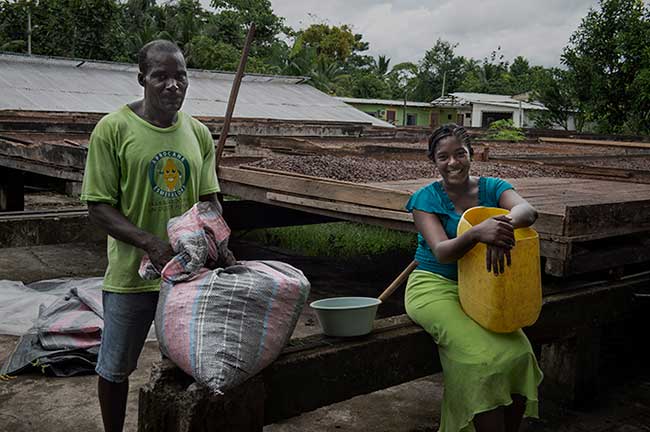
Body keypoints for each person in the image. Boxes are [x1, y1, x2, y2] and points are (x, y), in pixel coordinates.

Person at [80, 40, 231, 432]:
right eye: (160, 76)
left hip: (186, 277)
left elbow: (209, 199)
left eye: (180, 76)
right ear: (141, 78)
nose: (172, 85)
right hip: (132, 278)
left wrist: (220, 241)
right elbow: (97, 206)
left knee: (182, 366)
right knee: (115, 368)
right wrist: (150, 243)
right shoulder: (113, 130)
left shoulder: (197, 133)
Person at [404, 124, 543, 432]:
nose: (453, 163)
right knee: (480, 361)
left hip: (485, 286)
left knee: (520, 354)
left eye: (460, 154)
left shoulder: (492, 188)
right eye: (443, 157)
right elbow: (441, 251)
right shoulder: (424, 199)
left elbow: (527, 211)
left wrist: (500, 226)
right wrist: (478, 233)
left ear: (471, 155)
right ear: (433, 161)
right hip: (434, 288)